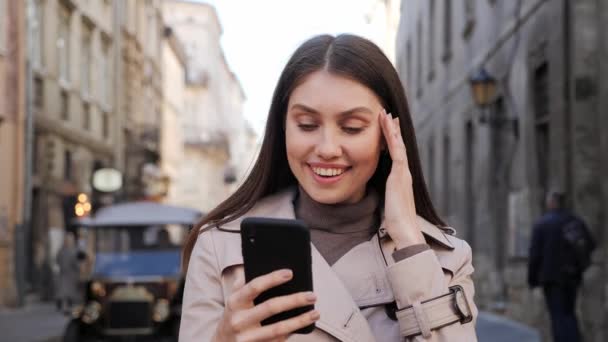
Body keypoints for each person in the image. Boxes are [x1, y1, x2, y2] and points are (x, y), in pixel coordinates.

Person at [180, 34, 477, 341]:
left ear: (389, 136)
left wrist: (409, 241)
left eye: (352, 128)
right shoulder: (220, 247)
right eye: (307, 125)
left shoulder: (444, 258)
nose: (327, 148)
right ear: (283, 128)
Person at [528, 191, 595, 342]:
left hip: (551, 278)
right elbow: (590, 244)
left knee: (557, 315)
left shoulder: (542, 224)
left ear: (551, 203)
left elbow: (535, 254)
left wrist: (532, 280)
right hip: (572, 276)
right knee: (569, 312)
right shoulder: (575, 221)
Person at [55, 232, 81, 313]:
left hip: (73, 274)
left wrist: (78, 267)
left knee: (73, 292)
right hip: (64, 274)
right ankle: (63, 306)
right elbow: (57, 260)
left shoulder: (76, 250)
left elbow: (78, 261)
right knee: (63, 291)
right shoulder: (62, 250)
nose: (68, 241)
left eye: (70, 239)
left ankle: (72, 306)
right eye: (67, 239)